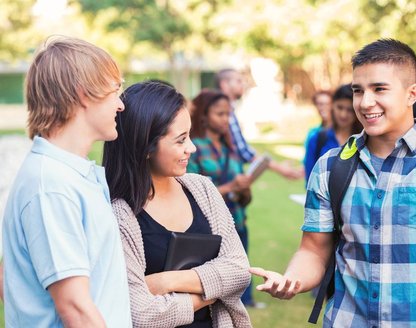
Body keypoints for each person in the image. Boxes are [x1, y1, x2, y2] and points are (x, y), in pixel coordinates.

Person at [250, 38, 416, 327]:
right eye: (358, 91)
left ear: (411, 93)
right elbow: (313, 250)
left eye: (379, 89)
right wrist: (292, 279)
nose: (366, 103)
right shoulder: (331, 167)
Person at [2, 36, 132, 327]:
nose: (121, 105)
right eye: (115, 90)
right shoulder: (51, 186)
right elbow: (75, 308)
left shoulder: (68, 175)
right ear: (84, 94)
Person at [103, 81, 251, 327]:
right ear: (146, 146)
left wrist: (166, 282)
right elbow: (142, 313)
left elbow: (238, 270)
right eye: (180, 140)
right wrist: (210, 291)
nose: (191, 148)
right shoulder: (118, 214)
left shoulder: (202, 189)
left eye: (189, 136)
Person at [186, 88, 257, 309]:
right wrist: (229, 187)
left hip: (237, 219)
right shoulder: (193, 147)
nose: (226, 119)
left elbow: (243, 197)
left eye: (228, 114)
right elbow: (190, 192)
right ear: (204, 115)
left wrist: (244, 189)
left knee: (241, 271)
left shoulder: (230, 149)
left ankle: (246, 302)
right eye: (220, 113)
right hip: (210, 228)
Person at [215, 68, 304, 180]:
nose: (243, 84)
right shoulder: (225, 113)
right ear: (224, 84)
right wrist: (280, 169)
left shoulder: (229, 110)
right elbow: (244, 152)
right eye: (238, 81)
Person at [303, 84, 363, 182]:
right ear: (332, 105)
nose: (343, 114)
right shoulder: (317, 139)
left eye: (350, 110)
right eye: (340, 107)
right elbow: (310, 181)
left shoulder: (365, 141)